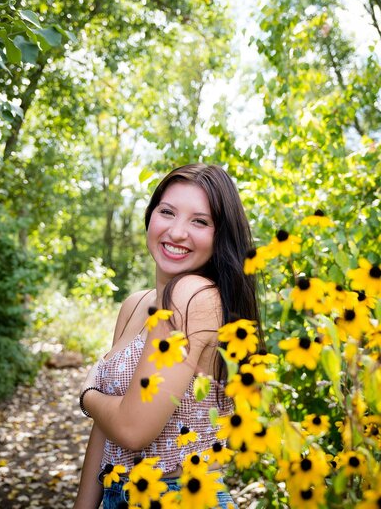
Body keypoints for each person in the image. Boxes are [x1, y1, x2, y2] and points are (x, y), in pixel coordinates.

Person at [74, 164, 262, 509]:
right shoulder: (135, 305)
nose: (177, 232)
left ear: (220, 236)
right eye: (167, 212)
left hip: (180, 498)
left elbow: (131, 429)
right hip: (118, 495)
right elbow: (107, 426)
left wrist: (87, 395)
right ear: (150, 217)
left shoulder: (194, 296)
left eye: (199, 221)